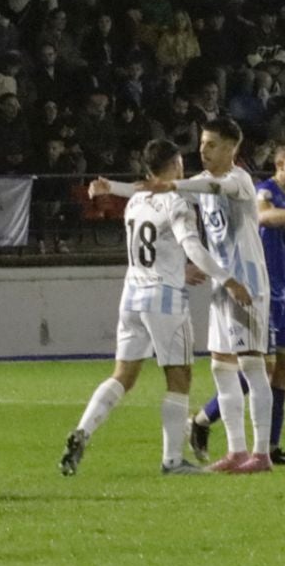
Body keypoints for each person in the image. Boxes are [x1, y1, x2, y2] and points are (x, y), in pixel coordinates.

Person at [100, 117, 274, 472]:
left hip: (247, 283)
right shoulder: (196, 183)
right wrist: (111, 188)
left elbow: (214, 189)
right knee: (221, 367)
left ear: (231, 148)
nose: (203, 150)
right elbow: (154, 187)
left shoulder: (238, 180)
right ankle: (236, 452)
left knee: (252, 366)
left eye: (211, 144)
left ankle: (261, 454)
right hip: (222, 285)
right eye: (202, 144)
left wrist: (175, 186)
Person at [69, 138, 251, 476]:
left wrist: (110, 187)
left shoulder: (137, 201)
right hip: (164, 299)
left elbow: (149, 240)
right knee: (179, 376)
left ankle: (83, 430)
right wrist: (228, 280)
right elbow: (193, 249)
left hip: (132, 296)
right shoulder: (177, 202)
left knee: (123, 375)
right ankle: (172, 461)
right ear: (175, 165)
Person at [188, 138, 285, 465]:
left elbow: (283, 238)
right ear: (280, 164)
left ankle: (271, 447)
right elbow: (263, 217)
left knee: (284, 364)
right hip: (262, 291)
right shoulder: (264, 191)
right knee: (264, 367)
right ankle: (203, 419)